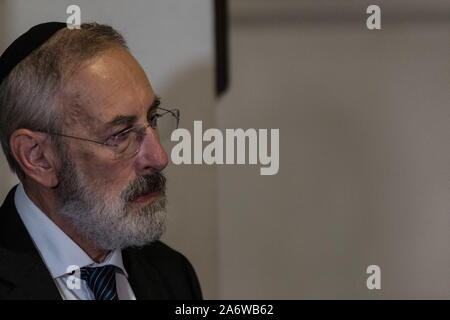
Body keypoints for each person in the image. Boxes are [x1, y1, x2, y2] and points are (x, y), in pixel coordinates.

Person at [0, 22, 202, 300]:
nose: (159, 158)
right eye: (120, 135)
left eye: (152, 119)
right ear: (38, 157)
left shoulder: (172, 273)